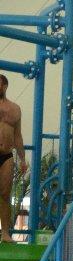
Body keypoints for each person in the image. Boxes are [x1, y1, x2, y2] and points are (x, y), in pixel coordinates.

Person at [0, 72, 26, 241]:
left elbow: (18, 136)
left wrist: (22, 159)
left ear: (5, 86)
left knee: (5, 194)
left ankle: (5, 232)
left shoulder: (14, 109)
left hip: (7, 155)